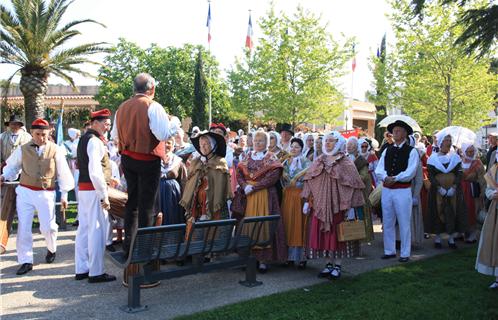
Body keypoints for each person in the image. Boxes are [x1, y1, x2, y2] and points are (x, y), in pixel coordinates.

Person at [111, 73, 181, 253]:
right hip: (148, 159)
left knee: (132, 202)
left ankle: (129, 246)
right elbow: (163, 134)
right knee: (148, 206)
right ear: (152, 89)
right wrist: (174, 122)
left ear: (134, 88)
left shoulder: (121, 108)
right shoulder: (153, 106)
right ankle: (144, 249)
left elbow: (114, 136)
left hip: (127, 158)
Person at [0, 119, 74, 275]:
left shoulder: (56, 150)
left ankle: (51, 248)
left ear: (49, 133)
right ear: (32, 134)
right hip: (25, 191)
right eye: (38, 134)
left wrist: (65, 194)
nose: (41, 137)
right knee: (24, 227)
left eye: (44, 134)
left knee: (48, 227)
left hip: (46, 192)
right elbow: (12, 166)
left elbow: (64, 173)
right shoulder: (23, 149)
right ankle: (26, 261)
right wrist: (4, 176)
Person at [302, 131, 365, 279]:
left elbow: (354, 185)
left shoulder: (346, 161)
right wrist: (307, 200)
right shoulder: (319, 160)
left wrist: (351, 207)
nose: (328, 143)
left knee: (337, 236)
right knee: (325, 236)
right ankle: (328, 264)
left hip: (338, 205)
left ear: (338, 143)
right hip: (321, 205)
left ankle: (337, 265)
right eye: (326, 141)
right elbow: (310, 179)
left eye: (331, 141)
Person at [232, 130, 287, 273]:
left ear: (267, 143)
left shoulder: (271, 158)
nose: (257, 143)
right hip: (248, 197)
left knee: (264, 226)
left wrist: (255, 187)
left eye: (261, 141)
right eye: (256, 140)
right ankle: (248, 258)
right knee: (247, 226)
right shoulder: (247, 156)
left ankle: (263, 260)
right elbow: (239, 173)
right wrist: (245, 186)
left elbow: (273, 176)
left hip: (264, 195)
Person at [74, 109, 116, 283]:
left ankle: (82, 269)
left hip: (85, 190)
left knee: (84, 229)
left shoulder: (84, 139)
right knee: (97, 230)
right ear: (95, 123)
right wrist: (103, 194)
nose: (108, 126)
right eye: (105, 123)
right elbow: (95, 171)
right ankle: (96, 272)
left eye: (108, 123)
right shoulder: (94, 141)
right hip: (93, 190)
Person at [375, 120, 419, 262]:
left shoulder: (412, 151)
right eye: (394, 131)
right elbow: (379, 168)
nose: (395, 133)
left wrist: (397, 177)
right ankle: (390, 250)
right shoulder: (387, 150)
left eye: (398, 130)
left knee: (404, 222)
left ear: (405, 133)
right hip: (388, 190)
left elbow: (411, 171)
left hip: (402, 190)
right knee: (388, 221)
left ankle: (405, 253)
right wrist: (385, 177)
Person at [426, 134, 468, 249]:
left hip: (453, 190)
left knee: (452, 211)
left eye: (450, 140)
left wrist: (454, 187)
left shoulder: (455, 157)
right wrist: (439, 187)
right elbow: (430, 175)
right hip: (437, 190)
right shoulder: (433, 158)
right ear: (440, 142)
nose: (448, 142)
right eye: (446, 140)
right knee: (437, 211)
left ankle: (451, 238)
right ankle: (438, 238)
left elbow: (459, 173)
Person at [180, 131, 232, 221]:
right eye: (201, 144)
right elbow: (190, 183)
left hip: (215, 205)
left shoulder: (220, 161)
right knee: (197, 233)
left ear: (212, 145)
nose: (202, 147)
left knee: (216, 231)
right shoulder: (195, 162)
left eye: (206, 144)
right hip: (197, 207)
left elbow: (221, 185)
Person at [281, 137, 311, 269]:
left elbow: (308, 178)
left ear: (301, 149)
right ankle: (289, 257)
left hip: (300, 196)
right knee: (288, 224)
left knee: (299, 225)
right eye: (292, 146)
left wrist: (297, 178)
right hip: (287, 196)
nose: (294, 149)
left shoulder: (306, 162)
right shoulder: (285, 162)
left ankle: (302, 257)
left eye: (297, 147)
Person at [346, 136, 374, 242]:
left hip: (359, 193)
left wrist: (351, 180)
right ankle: (349, 239)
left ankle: (362, 239)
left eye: (352, 145)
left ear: (356, 147)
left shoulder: (361, 161)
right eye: (348, 145)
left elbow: (364, 176)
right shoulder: (344, 158)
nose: (349, 147)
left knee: (361, 215)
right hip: (347, 193)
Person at [477, 157, 498, 289]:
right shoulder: (495, 169)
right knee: (495, 244)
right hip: (496, 212)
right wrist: (493, 194)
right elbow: (488, 189)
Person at [460, 142, 485, 243]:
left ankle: (473, 234)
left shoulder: (478, 163)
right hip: (461, 189)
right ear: (464, 152)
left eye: (472, 151)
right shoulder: (460, 161)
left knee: (473, 210)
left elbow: (483, 179)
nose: (470, 153)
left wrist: (483, 192)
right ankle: (463, 231)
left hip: (473, 190)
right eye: (468, 151)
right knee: (462, 210)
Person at [159, 137, 187, 225]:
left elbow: (184, 181)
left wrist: (185, 200)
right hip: (158, 195)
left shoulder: (178, 162)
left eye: (169, 143)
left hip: (173, 197)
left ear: (173, 145)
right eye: (163, 143)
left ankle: (172, 238)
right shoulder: (154, 160)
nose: (166, 145)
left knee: (173, 217)